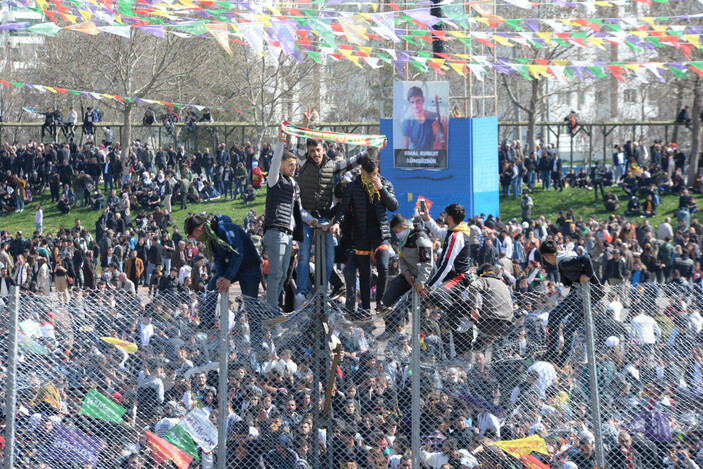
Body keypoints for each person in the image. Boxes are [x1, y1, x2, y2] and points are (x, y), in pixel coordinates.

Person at [294, 107, 368, 309]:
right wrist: (305, 125)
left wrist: (372, 147)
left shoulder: (332, 166)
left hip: (326, 218)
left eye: (318, 150)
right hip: (306, 215)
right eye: (312, 151)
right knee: (303, 254)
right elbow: (300, 144)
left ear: (324, 150)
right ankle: (301, 292)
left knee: (329, 255)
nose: (315, 154)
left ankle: (323, 288)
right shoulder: (302, 163)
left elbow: (353, 161)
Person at [334, 153, 398, 319]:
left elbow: (393, 206)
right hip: (361, 233)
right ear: (361, 171)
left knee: (383, 266)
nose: (371, 177)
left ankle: (380, 303)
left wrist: (380, 188)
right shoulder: (353, 186)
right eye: (368, 175)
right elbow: (343, 208)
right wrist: (337, 223)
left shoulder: (385, 183)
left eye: (374, 174)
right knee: (364, 273)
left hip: (381, 232)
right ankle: (365, 310)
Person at [263, 125, 312, 311]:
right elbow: (275, 160)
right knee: (275, 274)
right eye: (290, 164)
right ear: (282, 165)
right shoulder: (274, 179)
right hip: (275, 231)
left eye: (295, 165)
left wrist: (315, 223)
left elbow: (299, 212)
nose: (294, 167)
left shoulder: (293, 184)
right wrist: (281, 141)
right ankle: (272, 309)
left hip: (288, 234)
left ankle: (275, 307)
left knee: (283, 275)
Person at [539, 239, 603, 368]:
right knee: (555, 315)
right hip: (578, 291)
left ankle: (563, 359)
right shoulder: (563, 255)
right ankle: (552, 352)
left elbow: (586, 258)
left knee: (569, 328)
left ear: (546, 256)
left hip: (589, 295)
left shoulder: (564, 262)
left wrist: (588, 275)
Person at [379, 213, 433, 339]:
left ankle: (424, 339)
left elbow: (427, 263)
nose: (396, 235)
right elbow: (401, 259)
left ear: (404, 227)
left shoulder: (421, 238)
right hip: (408, 274)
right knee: (388, 298)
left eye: (397, 231)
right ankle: (393, 329)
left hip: (423, 276)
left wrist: (420, 282)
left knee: (419, 311)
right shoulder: (404, 238)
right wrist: (406, 273)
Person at [401, 86, 448, 151]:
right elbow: (405, 148)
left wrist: (445, 124)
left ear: (423, 99)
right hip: (414, 157)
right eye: (412, 102)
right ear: (409, 103)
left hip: (432, 156)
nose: (415, 105)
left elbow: (445, 138)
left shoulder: (434, 117)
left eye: (418, 101)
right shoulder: (407, 122)